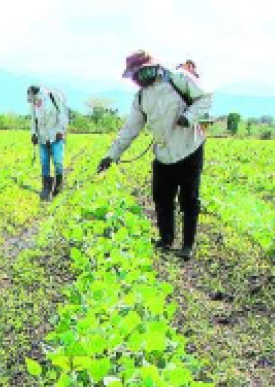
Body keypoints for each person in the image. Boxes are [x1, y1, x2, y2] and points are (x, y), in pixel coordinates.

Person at [97, 50, 213, 260]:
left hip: (190, 147)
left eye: (138, 74)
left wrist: (188, 117)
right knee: (161, 197)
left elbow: (205, 98)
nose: (136, 79)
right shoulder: (141, 97)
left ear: (150, 69)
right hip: (163, 153)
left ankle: (187, 245)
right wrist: (111, 155)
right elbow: (130, 128)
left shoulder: (178, 79)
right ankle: (166, 239)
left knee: (189, 199)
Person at [27, 85, 69, 201]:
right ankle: (46, 187)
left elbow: (63, 114)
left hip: (56, 134)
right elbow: (33, 119)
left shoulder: (53, 96)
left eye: (31, 95)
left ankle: (58, 186)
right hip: (42, 136)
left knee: (58, 161)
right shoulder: (34, 103)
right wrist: (33, 133)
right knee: (44, 162)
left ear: (35, 93)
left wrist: (61, 130)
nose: (31, 100)